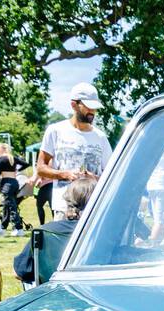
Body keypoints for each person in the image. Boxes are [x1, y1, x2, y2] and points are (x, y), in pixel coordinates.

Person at [36, 81, 111, 218]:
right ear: (74, 105)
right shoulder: (55, 131)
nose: (92, 112)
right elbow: (41, 168)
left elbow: (111, 175)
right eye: (88, 107)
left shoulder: (101, 137)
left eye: (94, 108)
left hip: (93, 208)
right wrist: (64, 175)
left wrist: (93, 178)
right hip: (63, 207)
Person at [13, 178, 95, 284]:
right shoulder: (105, 233)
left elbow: (18, 272)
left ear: (67, 200)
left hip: (55, 294)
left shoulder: (44, 232)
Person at [0, 142, 28, 235]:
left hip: (6, 184)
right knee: (7, 206)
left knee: (11, 206)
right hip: (15, 183)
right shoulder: (12, 158)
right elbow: (26, 164)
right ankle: (3, 227)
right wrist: (18, 170)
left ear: (1, 149)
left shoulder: (1, 159)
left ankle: (18, 228)